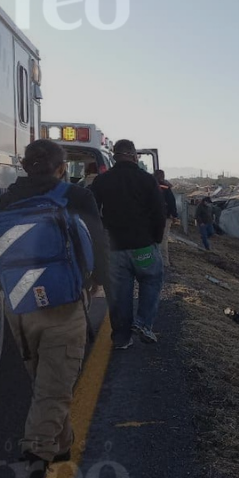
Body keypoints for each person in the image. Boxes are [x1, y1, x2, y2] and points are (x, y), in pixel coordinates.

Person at [0, 140, 109, 478]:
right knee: (53, 390)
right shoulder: (75, 196)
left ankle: (63, 447)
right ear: (60, 168)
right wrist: (101, 286)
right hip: (64, 308)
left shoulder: (3, 203)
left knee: (48, 384)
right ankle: (36, 477)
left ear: (24, 167)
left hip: (19, 311)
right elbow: (100, 248)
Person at [90, 139, 166, 349]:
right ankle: (143, 323)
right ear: (134, 155)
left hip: (114, 248)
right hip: (143, 245)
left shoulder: (102, 181)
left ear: (114, 156)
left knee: (118, 294)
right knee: (151, 281)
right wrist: (156, 239)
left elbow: (93, 213)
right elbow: (159, 213)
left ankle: (122, 338)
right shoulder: (147, 180)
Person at [154, 170, 178, 267]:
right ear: (163, 176)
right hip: (165, 216)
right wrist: (174, 215)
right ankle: (164, 262)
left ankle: (153, 259)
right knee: (163, 239)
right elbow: (171, 202)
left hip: (151, 217)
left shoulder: (148, 185)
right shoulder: (166, 187)